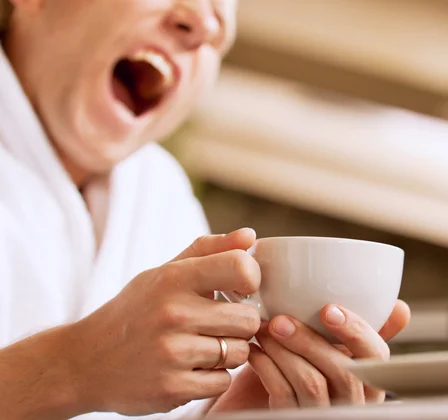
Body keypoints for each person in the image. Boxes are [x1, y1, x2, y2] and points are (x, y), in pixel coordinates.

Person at [0, 0, 411, 418]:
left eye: (222, 30)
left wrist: (233, 413)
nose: (204, 22)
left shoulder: (160, 191)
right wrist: (72, 367)